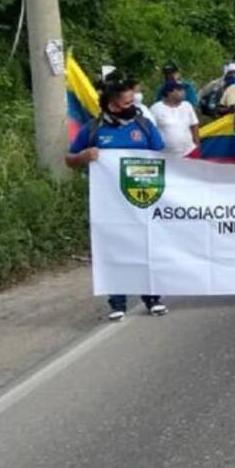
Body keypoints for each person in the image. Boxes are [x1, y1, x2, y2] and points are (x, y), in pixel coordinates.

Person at [66, 80, 168, 321]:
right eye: (127, 102)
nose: (133, 106)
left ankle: (152, 298)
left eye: (133, 101)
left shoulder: (144, 126)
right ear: (112, 105)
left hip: (142, 199)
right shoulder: (93, 130)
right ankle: (117, 302)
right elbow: (69, 159)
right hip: (108, 203)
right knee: (112, 249)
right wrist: (83, 156)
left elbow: (162, 157)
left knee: (146, 246)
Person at [149, 80, 200, 157]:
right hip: (165, 155)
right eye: (179, 90)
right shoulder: (156, 108)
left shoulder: (187, 105)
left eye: (183, 90)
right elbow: (149, 130)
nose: (183, 92)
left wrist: (197, 145)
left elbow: (194, 125)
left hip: (189, 152)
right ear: (169, 93)